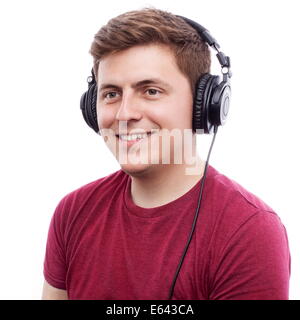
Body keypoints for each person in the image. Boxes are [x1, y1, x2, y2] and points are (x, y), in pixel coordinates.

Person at [42, 8, 290, 300]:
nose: (125, 114)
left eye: (150, 91)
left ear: (203, 105)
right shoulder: (73, 213)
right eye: (111, 93)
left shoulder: (249, 231)